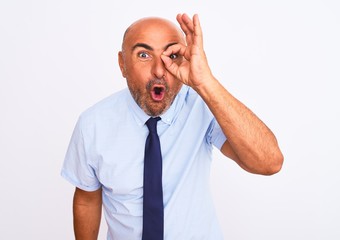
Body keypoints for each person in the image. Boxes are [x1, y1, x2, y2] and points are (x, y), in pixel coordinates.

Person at [61, 13, 284, 240]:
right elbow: (87, 198)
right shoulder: (93, 125)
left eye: (172, 55)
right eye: (144, 55)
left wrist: (205, 82)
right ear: (122, 64)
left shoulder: (203, 107)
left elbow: (269, 162)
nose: (159, 70)